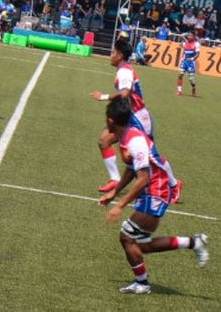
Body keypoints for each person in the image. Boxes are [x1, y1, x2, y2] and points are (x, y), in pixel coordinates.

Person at [98, 97, 208, 295]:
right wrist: (114, 192)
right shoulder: (125, 137)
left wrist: (120, 205)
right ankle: (193, 242)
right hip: (151, 189)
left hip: (156, 190)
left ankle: (142, 283)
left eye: (106, 118)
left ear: (111, 120)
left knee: (126, 237)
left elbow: (143, 179)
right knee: (140, 246)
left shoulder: (134, 140)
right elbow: (131, 170)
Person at [89, 40, 181, 201]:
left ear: (119, 55)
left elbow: (124, 93)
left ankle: (174, 185)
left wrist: (102, 96)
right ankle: (115, 179)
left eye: (113, 53)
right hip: (127, 117)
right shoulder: (122, 70)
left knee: (152, 156)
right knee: (104, 141)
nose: (111, 56)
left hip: (138, 118)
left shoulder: (124, 71)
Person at [176, 31, 200, 96]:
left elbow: (198, 54)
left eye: (191, 36)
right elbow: (179, 41)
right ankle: (179, 90)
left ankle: (194, 88)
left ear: (193, 37)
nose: (189, 37)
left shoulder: (196, 44)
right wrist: (183, 36)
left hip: (191, 63)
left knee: (191, 79)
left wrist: (192, 59)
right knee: (180, 74)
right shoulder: (184, 43)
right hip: (184, 61)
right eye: (188, 35)